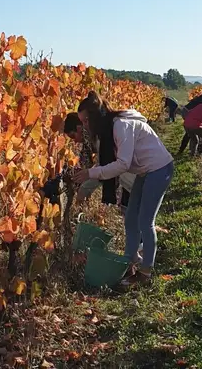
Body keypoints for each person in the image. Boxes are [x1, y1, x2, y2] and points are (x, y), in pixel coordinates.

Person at [70, 92, 174, 286]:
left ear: (95, 117)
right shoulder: (109, 129)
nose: (84, 125)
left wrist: (90, 174)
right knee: (130, 218)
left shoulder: (120, 126)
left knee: (145, 221)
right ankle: (130, 262)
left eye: (85, 121)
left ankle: (145, 273)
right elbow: (106, 163)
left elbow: (123, 164)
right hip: (145, 171)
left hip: (159, 169)